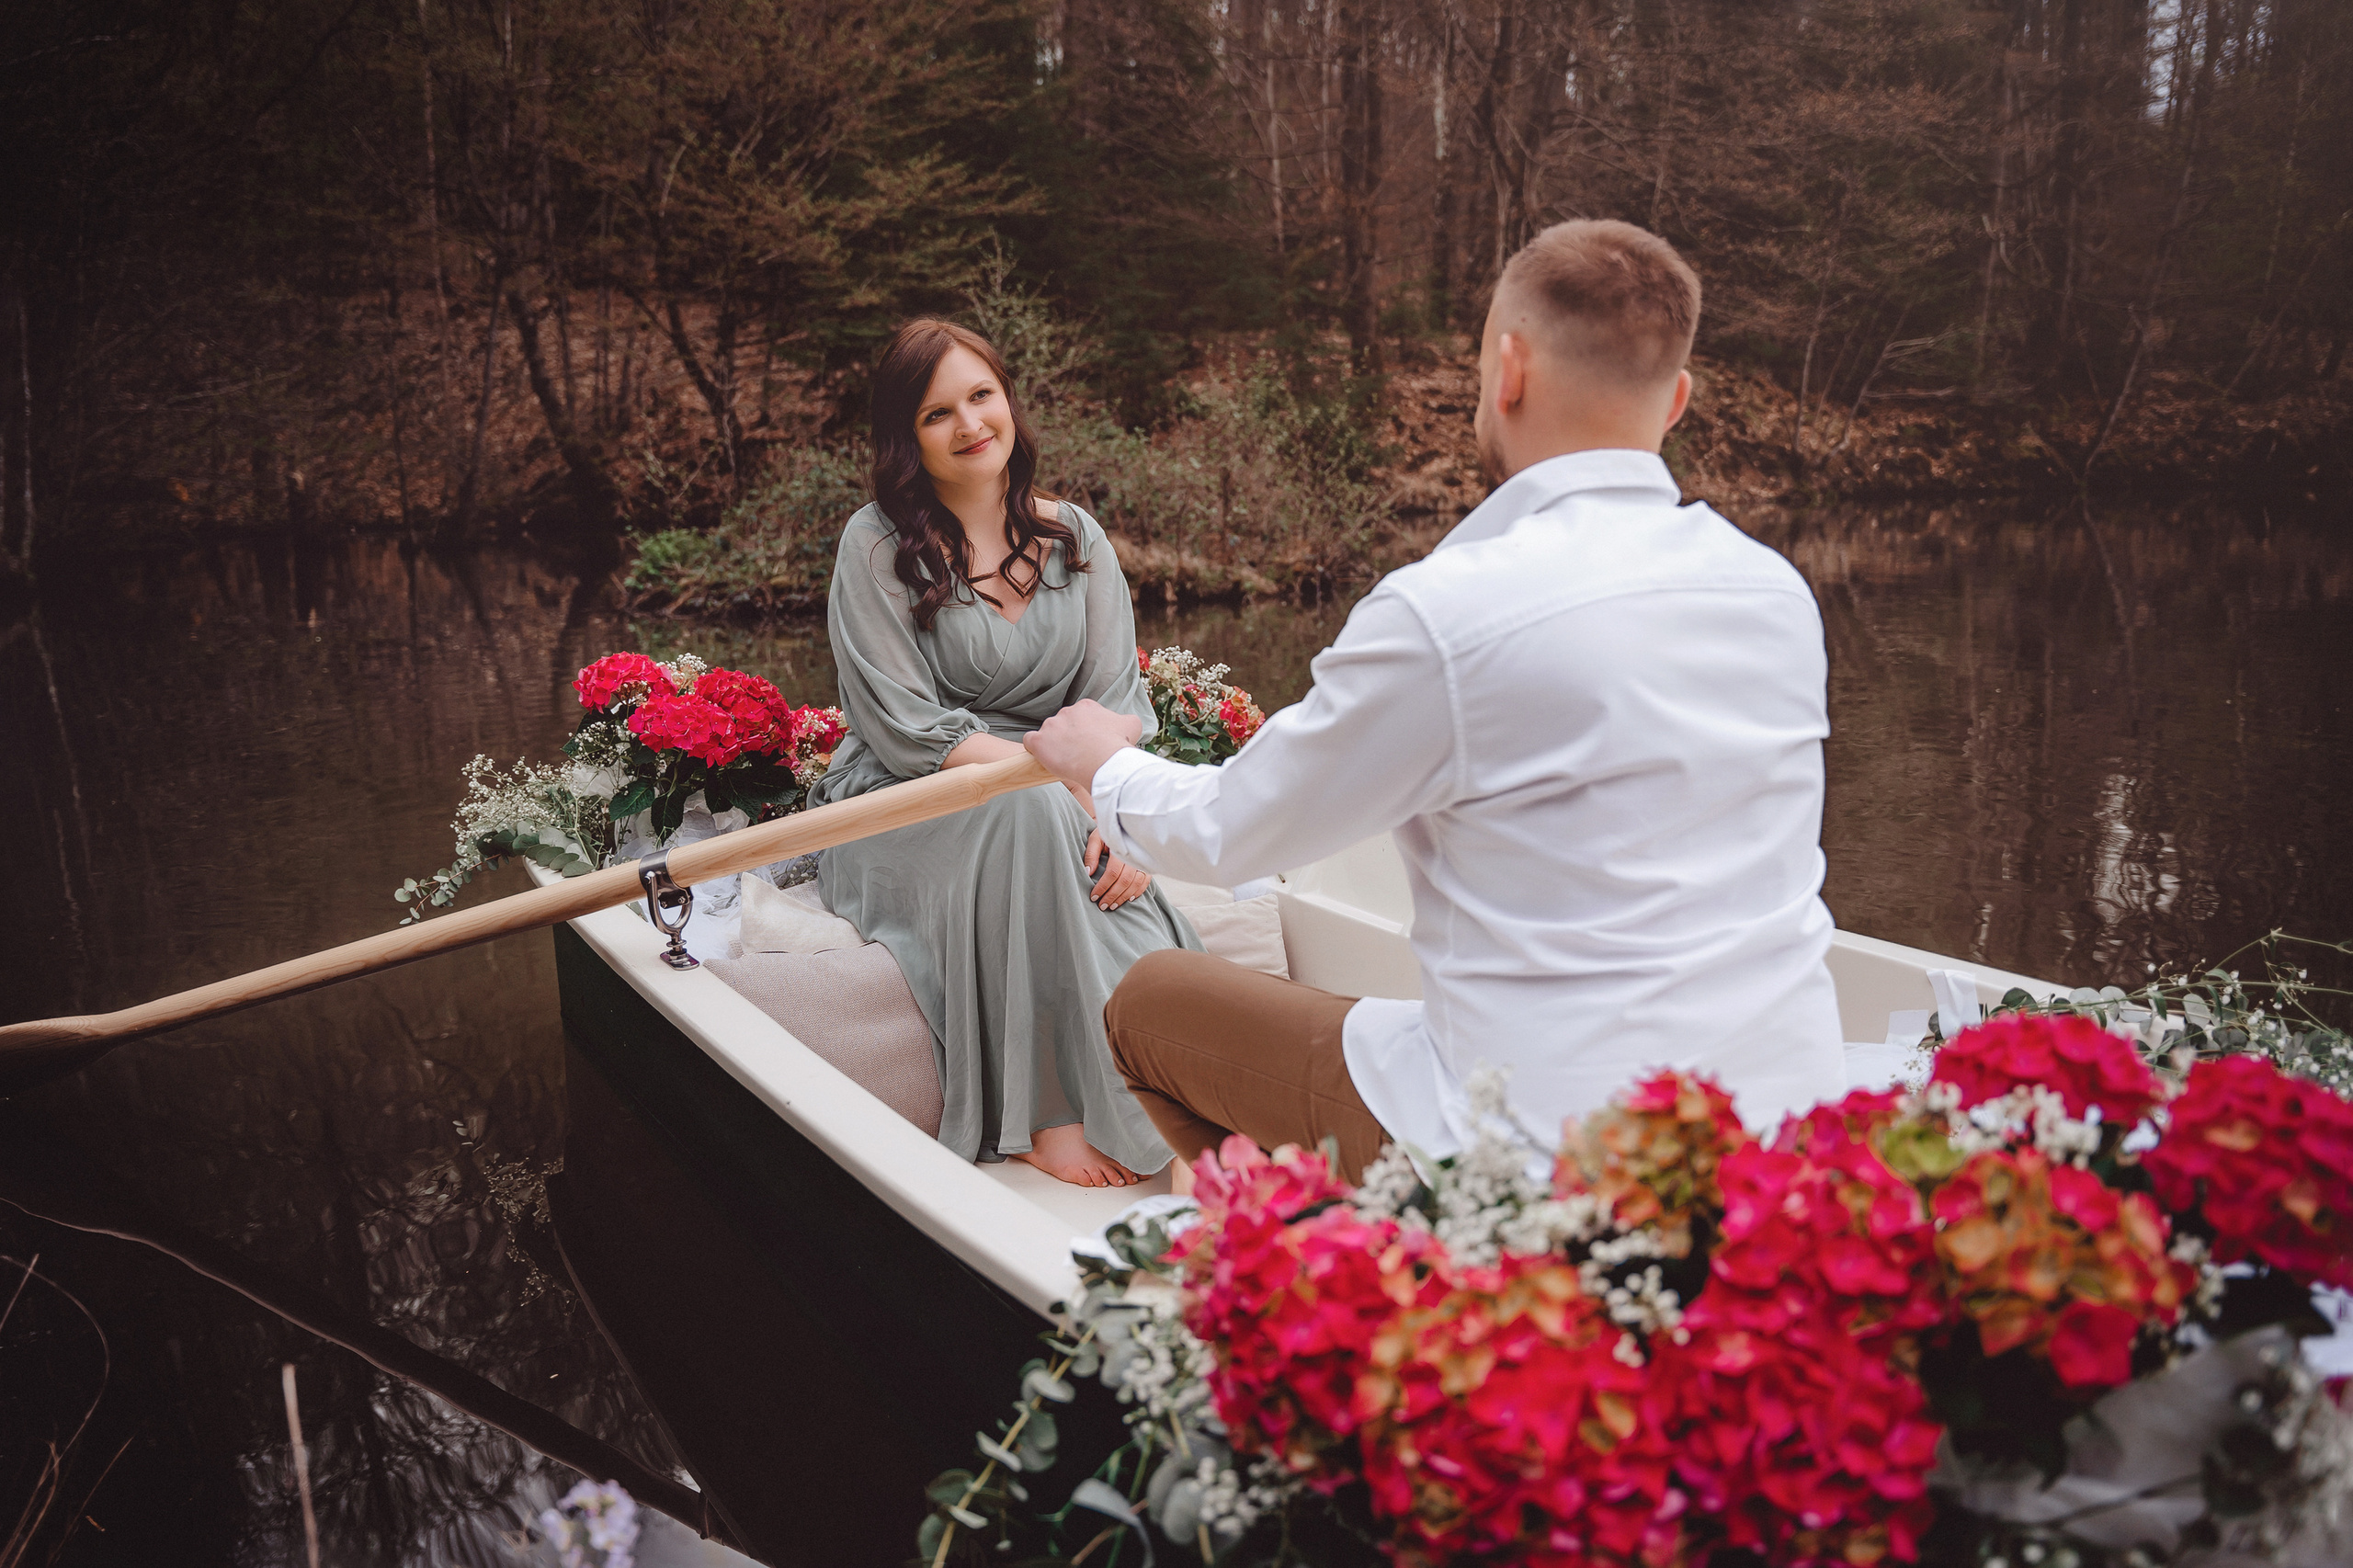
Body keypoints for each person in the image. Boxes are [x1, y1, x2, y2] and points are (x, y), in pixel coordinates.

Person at [1025, 219, 1846, 1183]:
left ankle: (1325, 1275)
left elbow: (1232, 831)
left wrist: (1099, 759)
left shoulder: (1448, 611)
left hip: (1538, 1145)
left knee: (1150, 1000)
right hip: (1780, 1119)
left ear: (1508, 369)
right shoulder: (1774, 592)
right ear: (1676, 402)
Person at [811, 319, 1199, 1188]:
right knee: (1027, 810)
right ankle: (1044, 1114)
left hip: (1056, 782)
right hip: (912, 791)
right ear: (906, 439)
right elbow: (909, 723)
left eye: (981, 396)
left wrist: (1115, 807)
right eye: (935, 413)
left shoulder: (1077, 539)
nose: (969, 424)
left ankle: (1176, 1090)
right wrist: (1062, 788)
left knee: (1111, 880)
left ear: (1009, 400)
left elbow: (1118, 701)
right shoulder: (875, 547)